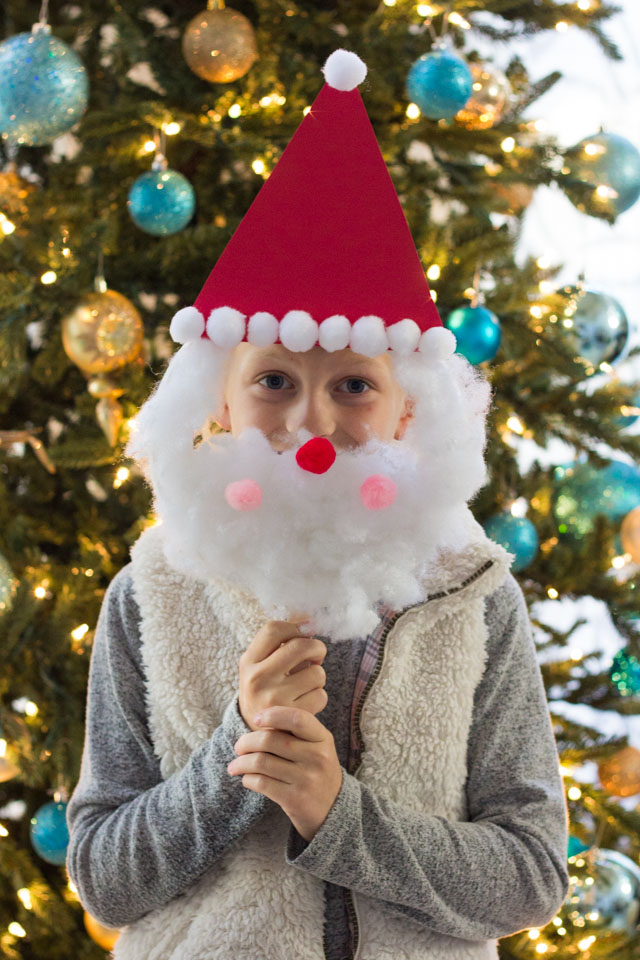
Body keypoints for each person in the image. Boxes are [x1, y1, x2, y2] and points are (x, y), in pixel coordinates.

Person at [65, 50, 570, 960]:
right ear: (217, 402)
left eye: (350, 385)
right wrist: (239, 753)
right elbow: (104, 874)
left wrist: (337, 814)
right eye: (271, 380)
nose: (310, 422)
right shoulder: (151, 593)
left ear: (405, 406)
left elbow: (530, 876)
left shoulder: (473, 594)